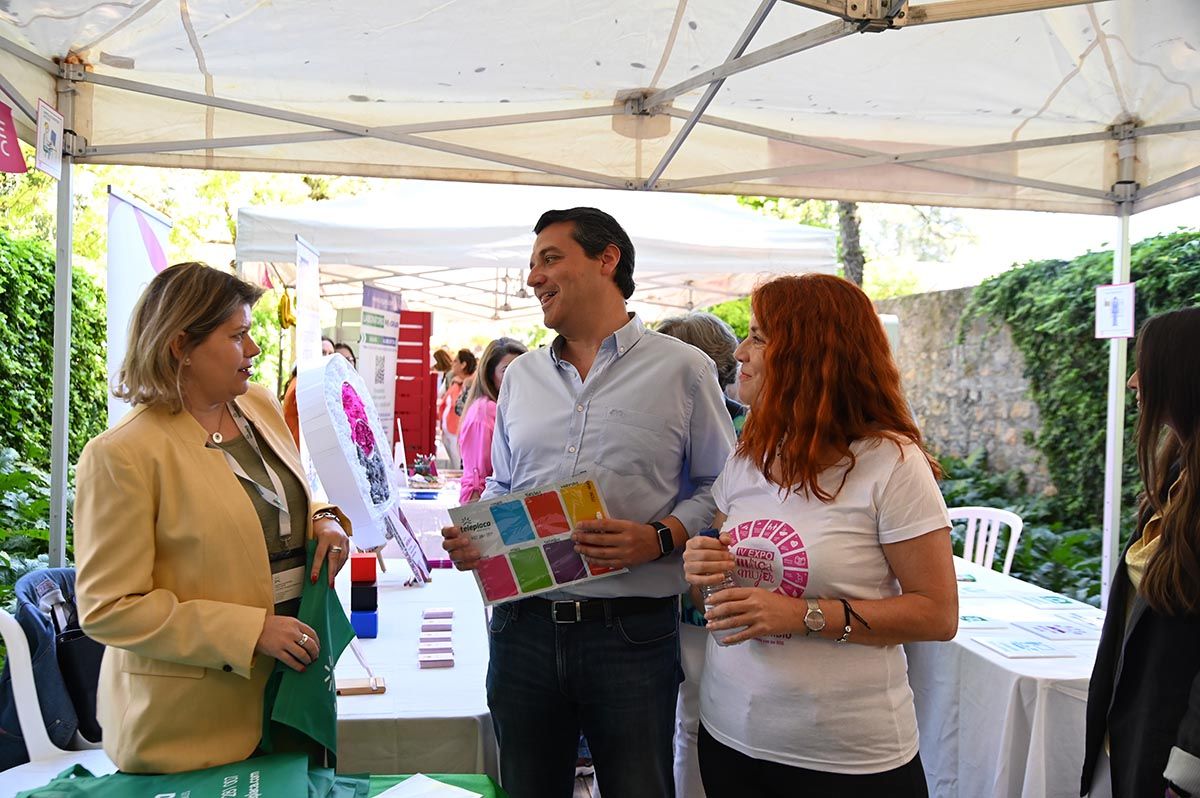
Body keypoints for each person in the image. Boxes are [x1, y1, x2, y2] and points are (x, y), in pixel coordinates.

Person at [442, 207, 734, 798]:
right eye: (531, 264)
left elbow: (724, 488)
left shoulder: (684, 370)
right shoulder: (520, 376)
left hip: (630, 636)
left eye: (550, 259)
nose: (532, 278)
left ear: (608, 260)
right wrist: (482, 533)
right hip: (522, 629)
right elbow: (504, 484)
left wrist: (660, 535)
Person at [683, 274, 957, 798]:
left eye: (759, 336)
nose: (740, 351)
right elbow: (713, 597)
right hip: (730, 736)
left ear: (811, 354)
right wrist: (702, 572)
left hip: (845, 760)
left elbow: (937, 614)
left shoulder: (892, 464)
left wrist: (801, 615)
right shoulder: (746, 460)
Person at [73, 262, 352, 774]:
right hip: (191, 723)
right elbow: (108, 608)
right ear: (181, 345)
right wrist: (250, 632)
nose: (255, 350)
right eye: (238, 335)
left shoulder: (260, 407)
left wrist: (323, 519)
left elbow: (283, 501)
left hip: (295, 686)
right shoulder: (122, 455)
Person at [1081, 307, 1200, 798]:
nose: (1133, 382)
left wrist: (1187, 764)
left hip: (1176, 753)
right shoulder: (1178, 469)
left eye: (1145, 369)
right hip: (1135, 731)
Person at [656, 311, 745, 798]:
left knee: (688, 719)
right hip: (694, 593)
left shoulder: (743, 427)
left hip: (694, 594)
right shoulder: (748, 423)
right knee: (691, 718)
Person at [458, 337, 528, 503]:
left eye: (524, 368)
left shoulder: (509, 408)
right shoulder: (484, 411)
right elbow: (477, 479)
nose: (517, 376)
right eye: (507, 370)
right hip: (488, 508)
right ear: (490, 375)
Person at [436, 348, 476, 468]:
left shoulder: (473, 382)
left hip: (459, 431)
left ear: (463, 364)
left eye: (456, 361)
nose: (452, 363)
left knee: (460, 464)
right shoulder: (451, 378)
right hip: (449, 431)